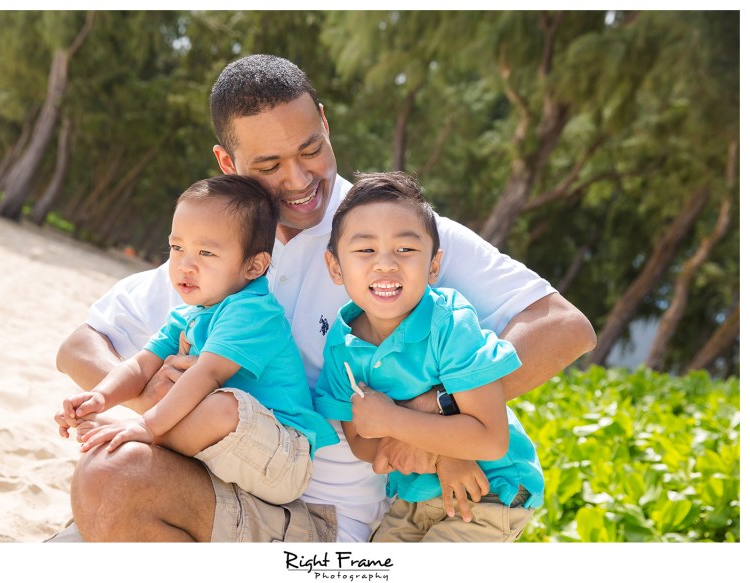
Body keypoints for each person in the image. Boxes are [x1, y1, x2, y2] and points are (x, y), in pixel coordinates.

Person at [52, 54, 596, 542]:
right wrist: (155, 396)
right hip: (213, 481)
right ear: (227, 163)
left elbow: (562, 326)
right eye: (269, 166)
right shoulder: (225, 246)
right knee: (105, 479)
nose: (299, 180)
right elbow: (82, 344)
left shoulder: (393, 234)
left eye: (311, 150)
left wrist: (432, 417)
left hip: (326, 521)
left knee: (111, 482)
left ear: (326, 125)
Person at [56, 175, 338, 506]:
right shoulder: (188, 315)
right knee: (206, 404)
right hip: (223, 449)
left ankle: (145, 435)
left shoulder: (253, 311)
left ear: (254, 265)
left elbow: (206, 374)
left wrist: (147, 425)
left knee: (223, 405)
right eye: (177, 248)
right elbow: (141, 366)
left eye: (206, 252)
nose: (185, 265)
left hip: (282, 458)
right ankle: (138, 430)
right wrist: (101, 397)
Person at [314, 172, 543, 542]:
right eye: (365, 250)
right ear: (335, 267)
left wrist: (392, 419)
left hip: (487, 488)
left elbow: (490, 439)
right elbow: (362, 442)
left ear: (433, 266)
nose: (385, 264)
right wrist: (439, 455)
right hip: (412, 498)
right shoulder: (341, 345)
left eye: (405, 249)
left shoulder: (449, 323)